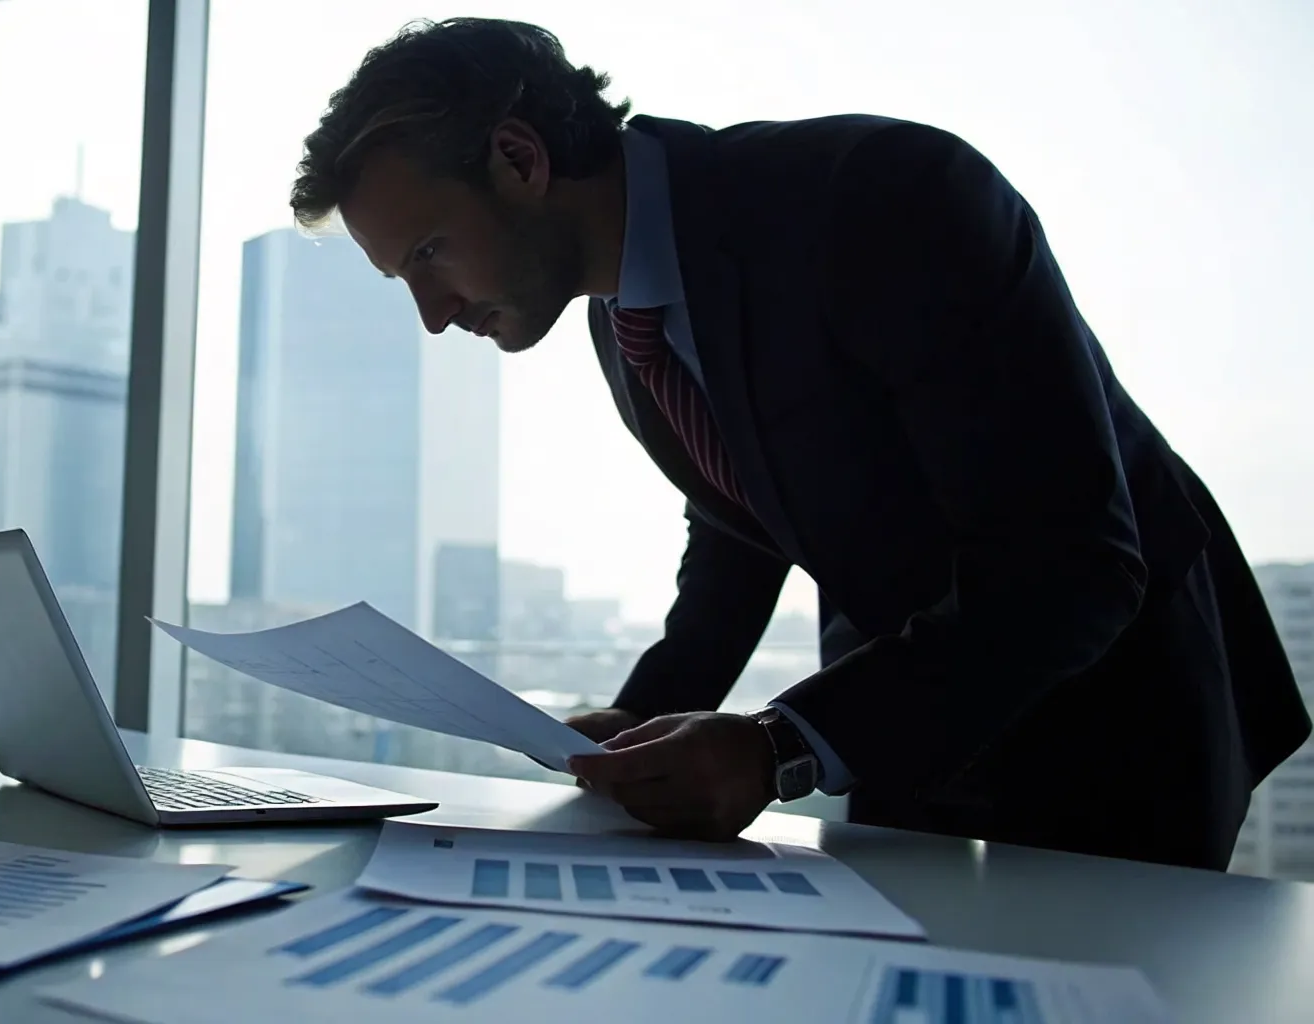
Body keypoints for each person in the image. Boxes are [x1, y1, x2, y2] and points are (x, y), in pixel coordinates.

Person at [289, 17, 1310, 870]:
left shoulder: (878, 196)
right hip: (906, 719)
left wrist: (778, 745)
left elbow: (1070, 566)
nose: (431, 313)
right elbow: (738, 525)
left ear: (518, 158)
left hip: (1113, 715)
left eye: (428, 252)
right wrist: (638, 720)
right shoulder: (621, 317)